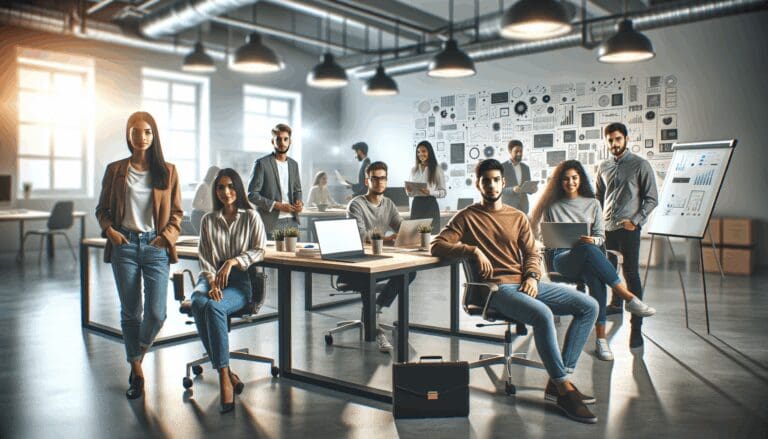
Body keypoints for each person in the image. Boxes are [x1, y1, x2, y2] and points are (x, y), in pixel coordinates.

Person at [431, 159, 599, 424]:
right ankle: (565, 390)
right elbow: (438, 245)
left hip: (524, 283)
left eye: (496, 180)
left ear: (503, 183)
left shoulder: (517, 217)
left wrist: (532, 276)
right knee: (543, 315)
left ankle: (559, 379)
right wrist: (472, 250)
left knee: (588, 306)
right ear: (479, 184)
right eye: (485, 180)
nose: (491, 185)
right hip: (495, 289)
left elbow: (533, 251)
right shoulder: (467, 217)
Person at [530, 160, 656, 361]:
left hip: (586, 258)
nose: (570, 182)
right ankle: (626, 296)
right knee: (588, 249)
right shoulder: (551, 206)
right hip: (561, 259)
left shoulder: (593, 204)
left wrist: (593, 240)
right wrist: (561, 238)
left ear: (580, 179)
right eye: (565, 179)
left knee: (594, 274)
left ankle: (601, 340)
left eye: (574, 178)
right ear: (559, 182)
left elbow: (600, 236)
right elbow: (544, 238)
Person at [95, 111, 183, 400]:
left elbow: (177, 214)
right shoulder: (115, 170)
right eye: (136, 131)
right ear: (128, 135)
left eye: (147, 132)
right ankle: (137, 371)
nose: (141, 137)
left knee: (157, 314)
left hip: (156, 247)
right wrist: (111, 232)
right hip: (125, 247)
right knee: (131, 312)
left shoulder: (168, 171)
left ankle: (136, 355)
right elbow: (102, 210)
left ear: (153, 135)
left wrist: (166, 237)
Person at [192, 168, 267, 414]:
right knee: (197, 300)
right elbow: (204, 257)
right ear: (215, 191)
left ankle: (223, 375)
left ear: (238, 188)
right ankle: (225, 373)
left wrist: (233, 261)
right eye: (220, 187)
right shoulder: (208, 220)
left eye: (231, 186)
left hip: (240, 280)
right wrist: (212, 281)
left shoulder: (251, 216)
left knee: (212, 306)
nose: (226, 192)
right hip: (212, 277)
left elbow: (259, 250)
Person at [342, 161, 416, 353]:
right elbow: (359, 235)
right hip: (356, 263)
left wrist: (409, 232)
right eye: (375, 178)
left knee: (410, 271)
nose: (379, 182)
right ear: (368, 180)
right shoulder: (356, 204)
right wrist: (385, 238)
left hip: (379, 260)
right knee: (370, 277)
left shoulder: (388, 204)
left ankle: (376, 309)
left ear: (387, 180)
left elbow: (400, 225)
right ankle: (373, 327)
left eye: (383, 178)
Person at [596, 122, 658, 349]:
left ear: (626, 139)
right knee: (609, 272)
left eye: (618, 139)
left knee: (631, 274)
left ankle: (636, 328)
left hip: (629, 229)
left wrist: (636, 221)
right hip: (608, 229)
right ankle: (615, 304)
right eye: (610, 140)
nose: (614, 144)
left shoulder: (640, 165)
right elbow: (599, 198)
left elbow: (652, 198)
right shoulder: (602, 166)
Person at [247, 123, 303, 235]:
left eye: (285, 139)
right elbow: (251, 194)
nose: (282, 143)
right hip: (270, 223)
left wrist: (299, 202)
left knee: (293, 253)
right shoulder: (261, 163)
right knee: (272, 253)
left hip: (292, 221)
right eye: (278, 139)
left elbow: (297, 190)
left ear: (290, 141)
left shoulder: (294, 164)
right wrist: (277, 205)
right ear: (273, 141)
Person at [406, 140, 446, 231]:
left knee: (431, 235)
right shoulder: (413, 170)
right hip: (416, 205)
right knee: (415, 235)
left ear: (429, 152)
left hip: (430, 204)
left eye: (424, 151)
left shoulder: (437, 169)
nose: (420, 154)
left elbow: (443, 192)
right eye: (418, 152)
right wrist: (409, 191)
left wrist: (430, 192)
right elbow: (410, 193)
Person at [502, 139, 537, 213]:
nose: (519, 154)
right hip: (508, 207)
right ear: (510, 152)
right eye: (516, 151)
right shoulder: (502, 167)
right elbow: (498, 190)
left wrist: (532, 189)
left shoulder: (526, 168)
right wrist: (512, 189)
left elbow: (527, 188)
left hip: (523, 207)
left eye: (521, 151)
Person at [191, 165, 220, 233]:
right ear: (211, 174)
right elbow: (194, 204)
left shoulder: (214, 186)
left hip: (208, 215)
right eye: (217, 175)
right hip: (199, 216)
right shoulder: (203, 186)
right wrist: (209, 208)